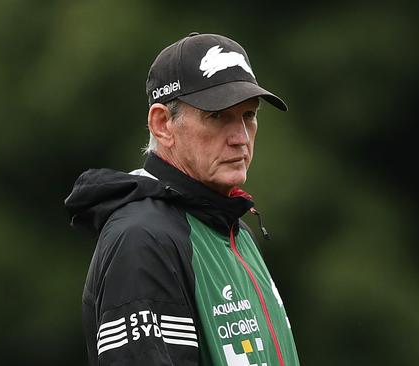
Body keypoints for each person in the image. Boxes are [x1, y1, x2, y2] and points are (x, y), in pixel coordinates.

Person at [65, 32, 300, 366]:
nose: (241, 138)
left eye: (249, 115)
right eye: (218, 116)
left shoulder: (234, 231)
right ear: (162, 124)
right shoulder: (142, 240)